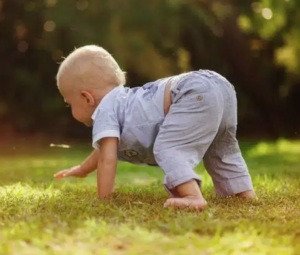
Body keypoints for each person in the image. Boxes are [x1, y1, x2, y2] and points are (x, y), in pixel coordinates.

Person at [54, 45, 256, 210]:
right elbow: (103, 151)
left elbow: (108, 158)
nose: (70, 108)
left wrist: (104, 199)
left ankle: (193, 197)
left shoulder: (105, 109)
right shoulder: (121, 102)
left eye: (68, 103)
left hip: (191, 91)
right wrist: (82, 169)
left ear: (87, 97)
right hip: (220, 87)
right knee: (221, 148)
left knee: (168, 147)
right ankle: (243, 193)